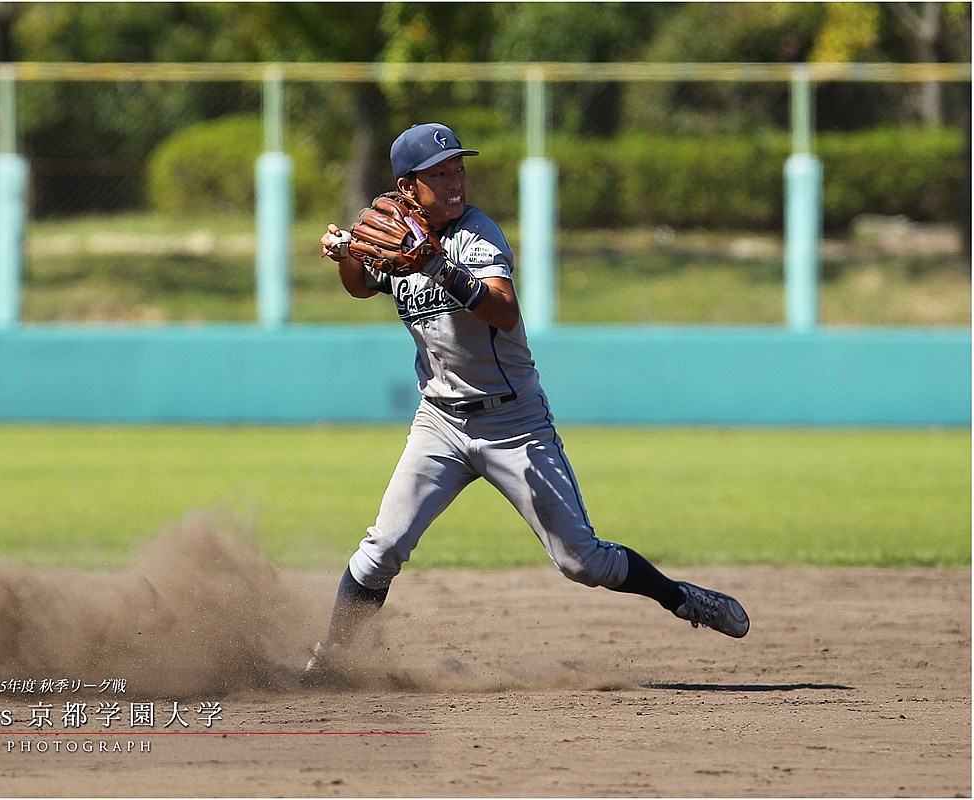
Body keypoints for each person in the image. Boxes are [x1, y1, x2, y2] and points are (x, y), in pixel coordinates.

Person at [306, 122, 748, 683]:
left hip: (514, 421)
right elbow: (359, 284)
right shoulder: (397, 232)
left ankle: (680, 598)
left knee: (581, 561)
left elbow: (503, 310)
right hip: (439, 422)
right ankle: (332, 661)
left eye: (458, 169)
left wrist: (438, 265)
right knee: (381, 548)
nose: (454, 182)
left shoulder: (477, 235)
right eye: (438, 175)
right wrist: (345, 251)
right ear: (407, 186)